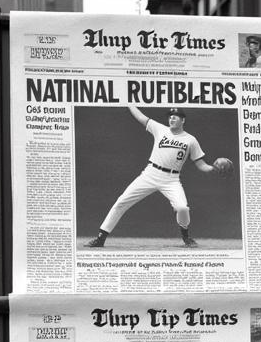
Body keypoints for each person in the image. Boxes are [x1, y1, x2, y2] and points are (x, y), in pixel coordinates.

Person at [85, 106, 232, 249]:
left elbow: (201, 164)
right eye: (170, 116)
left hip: (171, 179)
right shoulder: (160, 128)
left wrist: (213, 169)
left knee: (182, 208)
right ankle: (100, 238)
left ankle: (186, 237)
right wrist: (129, 104)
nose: (172, 118)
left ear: (183, 120)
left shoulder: (190, 140)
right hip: (150, 173)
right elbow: (141, 117)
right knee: (121, 202)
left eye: (175, 116)